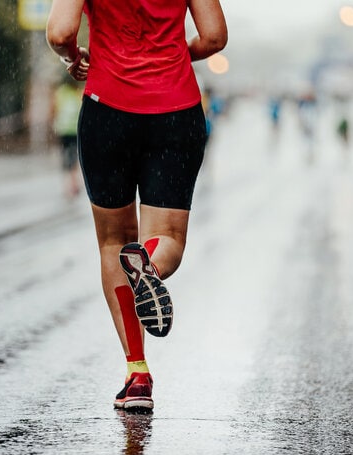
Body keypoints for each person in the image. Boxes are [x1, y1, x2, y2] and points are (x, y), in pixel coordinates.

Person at [46, 0, 227, 412]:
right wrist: (179, 52)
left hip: (107, 110)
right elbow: (215, 36)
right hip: (176, 110)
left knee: (114, 242)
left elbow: (59, 32)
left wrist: (74, 59)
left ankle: (137, 373)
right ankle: (151, 265)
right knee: (169, 239)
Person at [52, 76, 83, 197]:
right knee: (73, 157)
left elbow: (54, 109)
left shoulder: (60, 92)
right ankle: (72, 183)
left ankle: (70, 184)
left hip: (65, 129)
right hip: (73, 129)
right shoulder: (78, 92)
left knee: (67, 157)